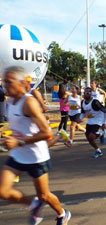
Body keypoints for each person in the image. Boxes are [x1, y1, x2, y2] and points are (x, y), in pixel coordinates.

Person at [0, 66, 71, 225]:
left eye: (9, 82)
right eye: (4, 81)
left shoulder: (29, 103)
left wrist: (18, 141)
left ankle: (62, 213)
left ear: (21, 83)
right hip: (18, 155)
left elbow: (47, 133)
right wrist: (12, 138)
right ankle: (33, 204)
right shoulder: (10, 101)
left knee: (45, 195)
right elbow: (20, 127)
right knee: (3, 191)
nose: (5, 85)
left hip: (36, 157)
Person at [78, 87, 106, 158]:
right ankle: (98, 150)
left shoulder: (95, 102)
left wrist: (103, 123)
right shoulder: (82, 102)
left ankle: (101, 133)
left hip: (98, 121)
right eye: (84, 93)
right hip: (90, 121)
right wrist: (79, 119)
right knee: (88, 137)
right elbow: (83, 113)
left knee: (91, 137)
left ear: (91, 94)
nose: (85, 94)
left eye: (87, 93)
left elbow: (105, 111)